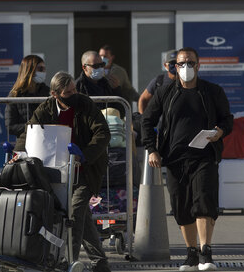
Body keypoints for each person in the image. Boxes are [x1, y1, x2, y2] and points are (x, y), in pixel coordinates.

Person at [141, 47, 233, 271]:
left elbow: (227, 119)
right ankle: (191, 253)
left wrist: (220, 131)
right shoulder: (165, 92)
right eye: (180, 64)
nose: (185, 67)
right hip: (174, 158)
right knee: (181, 206)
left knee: (203, 200)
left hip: (204, 156)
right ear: (174, 67)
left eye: (190, 63)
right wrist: (152, 149)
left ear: (198, 65)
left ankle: (205, 252)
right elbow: (146, 121)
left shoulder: (212, 91)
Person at [14, 71, 112, 272]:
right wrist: (17, 151)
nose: (73, 94)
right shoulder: (46, 109)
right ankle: (100, 262)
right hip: (59, 170)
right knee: (81, 216)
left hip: (86, 169)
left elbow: (103, 132)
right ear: (55, 94)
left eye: (74, 89)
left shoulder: (85, 104)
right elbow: (29, 130)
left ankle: (68, 262)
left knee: (74, 213)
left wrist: (84, 154)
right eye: (68, 92)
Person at [4, 55, 50, 138]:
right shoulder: (15, 95)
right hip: (24, 142)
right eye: (40, 69)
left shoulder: (48, 92)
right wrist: (33, 127)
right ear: (29, 70)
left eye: (44, 69)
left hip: (46, 141)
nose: (44, 72)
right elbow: (10, 126)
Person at [76, 50, 125, 117]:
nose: (100, 68)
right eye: (95, 66)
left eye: (102, 65)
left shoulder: (107, 84)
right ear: (84, 67)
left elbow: (121, 112)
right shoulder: (77, 87)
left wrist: (116, 89)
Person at [138, 49, 178, 114]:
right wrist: (142, 119)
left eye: (177, 63)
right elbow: (143, 99)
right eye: (172, 63)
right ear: (165, 65)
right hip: (161, 122)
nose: (175, 66)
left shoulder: (187, 82)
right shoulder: (159, 81)